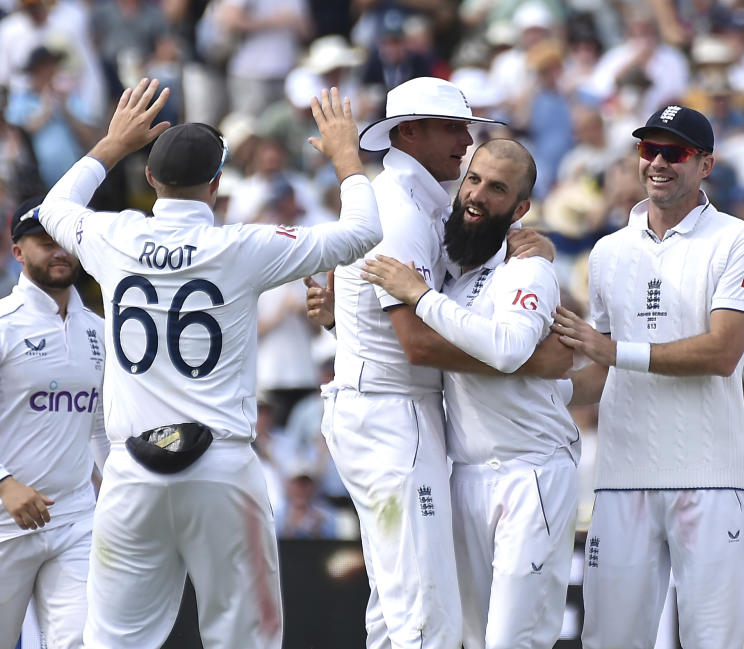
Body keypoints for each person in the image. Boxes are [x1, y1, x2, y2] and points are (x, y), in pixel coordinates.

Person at [36, 79, 381, 649]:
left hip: (132, 470)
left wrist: (112, 144)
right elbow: (363, 233)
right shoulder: (242, 246)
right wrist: (347, 157)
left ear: (150, 179)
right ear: (217, 185)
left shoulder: (114, 235)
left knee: (113, 640)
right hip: (220, 467)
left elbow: (53, 209)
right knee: (246, 638)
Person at [317, 76, 569, 649]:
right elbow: (418, 344)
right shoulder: (403, 208)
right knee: (427, 617)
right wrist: (529, 359)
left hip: (393, 411)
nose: (466, 140)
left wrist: (534, 245)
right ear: (410, 133)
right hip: (392, 412)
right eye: (454, 128)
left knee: (396, 606)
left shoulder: (424, 200)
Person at [551, 105, 744, 649]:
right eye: (649, 150)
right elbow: (599, 374)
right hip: (623, 475)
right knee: (608, 641)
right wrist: (528, 385)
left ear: (706, 165)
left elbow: (722, 353)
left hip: (709, 473)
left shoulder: (739, 240)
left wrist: (611, 349)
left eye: (675, 153)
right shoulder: (607, 252)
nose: (658, 163)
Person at [0, 197, 108, 649]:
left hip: (74, 520)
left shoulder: (101, 330)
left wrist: (118, 495)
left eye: (65, 242)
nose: (59, 252)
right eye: (45, 243)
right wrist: (5, 484)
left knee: (81, 642)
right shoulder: (3, 324)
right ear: (18, 252)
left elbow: (101, 427)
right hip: (5, 520)